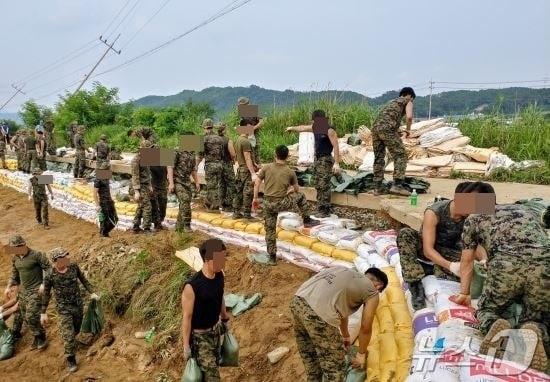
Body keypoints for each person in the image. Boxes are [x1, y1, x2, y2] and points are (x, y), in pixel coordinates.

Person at [452, 203, 550, 372]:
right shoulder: (527, 210)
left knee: (487, 310)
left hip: (506, 264)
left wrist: (465, 293)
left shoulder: (473, 218)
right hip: (545, 263)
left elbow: (467, 261)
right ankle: (536, 333)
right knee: (539, 318)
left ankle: (496, 328)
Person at [397, 181, 494, 310]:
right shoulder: (435, 212)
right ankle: (415, 285)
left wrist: (483, 259)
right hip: (429, 251)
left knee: (473, 271)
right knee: (405, 234)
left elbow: (476, 245)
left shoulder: (472, 218)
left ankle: (434, 270)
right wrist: (451, 266)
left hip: (452, 252)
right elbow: (428, 250)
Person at [291, 267, 388, 381]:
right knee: (335, 368)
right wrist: (361, 355)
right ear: (379, 286)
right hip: (318, 316)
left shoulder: (342, 271)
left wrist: (345, 335)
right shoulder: (372, 291)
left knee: (311, 358)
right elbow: (365, 327)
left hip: (297, 302)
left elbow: (341, 309)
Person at [253, 145, 318, 265]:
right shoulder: (290, 171)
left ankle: (272, 257)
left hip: (267, 203)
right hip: (282, 202)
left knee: (270, 230)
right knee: (301, 196)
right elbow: (297, 189)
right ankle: (307, 219)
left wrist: (255, 199)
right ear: (287, 156)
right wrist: (290, 190)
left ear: (275, 154)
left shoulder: (266, 168)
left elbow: (257, 183)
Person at [41, 247, 99, 373]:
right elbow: (46, 294)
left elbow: (84, 280)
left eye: (67, 254)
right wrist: (43, 312)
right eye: (64, 256)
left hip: (77, 305)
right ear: (56, 260)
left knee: (76, 329)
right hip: (63, 309)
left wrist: (92, 292)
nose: (68, 257)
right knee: (68, 335)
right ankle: (71, 359)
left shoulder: (73, 267)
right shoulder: (50, 275)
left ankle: (72, 342)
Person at [182, 239, 231, 381]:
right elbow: (187, 317)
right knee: (212, 376)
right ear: (207, 259)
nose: (223, 262)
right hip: (200, 339)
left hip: (215, 332)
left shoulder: (220, 276)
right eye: (219, 258)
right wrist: (186, 346)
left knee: (210, 369)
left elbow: (220, 296)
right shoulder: (192, 286)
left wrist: (225, 318)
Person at [286, 110, 342, 217]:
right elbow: (303, 128)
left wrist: (337, 163)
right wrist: (292, 128)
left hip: (325, 159)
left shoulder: (329, 130)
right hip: (318, 160)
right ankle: (320, 207)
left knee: (323, 185)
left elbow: (336, 146)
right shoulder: (317, 127)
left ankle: (325, 210)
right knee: (318, 184)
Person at [4, 234, 50, 349]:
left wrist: (44, 283)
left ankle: (41, 337)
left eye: (19, 247)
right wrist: (9, 286)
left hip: (36, 291)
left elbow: (49, 269)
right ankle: (31, 335)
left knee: (31, 315)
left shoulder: (37, 255)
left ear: (24, 244)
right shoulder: (15, 258)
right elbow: (15, 274)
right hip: (24, 292)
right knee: (23, 315)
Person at [370, 87, 416, 196]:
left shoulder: (391, 102)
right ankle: (397, 185)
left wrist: (396, 131)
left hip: (375, 129)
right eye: (412, 99)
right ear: (410, 95)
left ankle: (378, 187)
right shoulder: (408, 101)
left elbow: (386, 119)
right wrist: (408, 131)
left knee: (379, 157)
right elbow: (409, 117)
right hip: (387, 129)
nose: (412, 101)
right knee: (400, 154)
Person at [168, 132, 200, 233]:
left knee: (184, 203)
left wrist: (197, 182)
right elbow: (170, 167)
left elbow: (193, 170)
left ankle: (178, 227)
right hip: (178, 181)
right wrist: (171, 183)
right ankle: (187, 226)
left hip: (187, 182)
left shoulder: (192, 153)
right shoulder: (176, 151)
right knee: (185, 200)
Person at [196, 118, 224, 212]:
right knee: (216, 185)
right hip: (220, 164)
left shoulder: (203, 138)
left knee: (212, 186)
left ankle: (215, 208)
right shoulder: (219, 138)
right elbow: (222, 153)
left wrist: (195, 166)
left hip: (210, 165)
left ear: (204, 127)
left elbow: (199, 155)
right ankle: (208, 203)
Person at [232, 124, 258, 220]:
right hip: (246, 170)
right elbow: (247, 158)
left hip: (240, 169)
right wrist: (253, 173)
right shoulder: (246, 142)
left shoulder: (238, 140)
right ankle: (247, 214)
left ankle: (236, 212)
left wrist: (255, 164)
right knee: (248, 192)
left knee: (238, 191)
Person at [131, 140, 154, 233]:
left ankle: (136, 226)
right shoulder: (136, 160)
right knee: (147, 207)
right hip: (139, 186)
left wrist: (150, 185)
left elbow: (148, 173)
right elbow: (135, 176)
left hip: (145, 185)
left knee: (141, 206)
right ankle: (147, 228)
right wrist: (136, 191)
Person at [93, 164, 118, 238]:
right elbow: (94, 194)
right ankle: (103, 234)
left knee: (115, 219)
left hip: (109, 201)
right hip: (104, 203)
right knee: (105, 220)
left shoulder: (106, 178)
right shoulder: (98, 180)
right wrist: (97, 205)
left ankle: (105, 233)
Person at [237, 96, 263, 167]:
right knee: (247, 150)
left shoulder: (255, 109)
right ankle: (250, 166)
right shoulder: (242, 111)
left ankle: (258, 167)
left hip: (255, 133)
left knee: (256, 150)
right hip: (246, 133)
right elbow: (242, 122)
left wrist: (253, 128)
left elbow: (261, 122)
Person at [217, 122, 237, 212]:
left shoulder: (215, 140)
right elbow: (232, 153)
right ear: (224, 130)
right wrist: (234, 160)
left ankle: (221, 203)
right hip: (226, 164)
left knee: (221, 184)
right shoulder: (228, 140)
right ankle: (228, 205)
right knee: (231, 184)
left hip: (218, 164)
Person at [149, 146, 168, 230]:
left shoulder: (165, 160)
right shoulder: (149, 163)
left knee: (163, 206)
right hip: (154, 187)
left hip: (163, 187)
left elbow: (170, 170)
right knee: (155, 207)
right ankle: (157, 224)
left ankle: (159, 221)